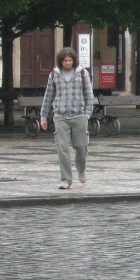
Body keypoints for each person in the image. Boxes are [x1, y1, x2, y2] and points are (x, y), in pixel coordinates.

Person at [40, 47, 94, 189]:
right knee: (62, 148)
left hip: (79, 116)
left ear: (74, 61)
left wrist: (86, 115)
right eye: (65, 61)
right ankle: (65, 179)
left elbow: (89, 95)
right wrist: (43, 116)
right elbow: (48, 96)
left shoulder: (82, 73)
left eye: (70, 60)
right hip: (60, 116)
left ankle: (81, 169)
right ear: (61, 61)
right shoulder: (54, 74)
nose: (68, 63)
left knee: (81, 147)